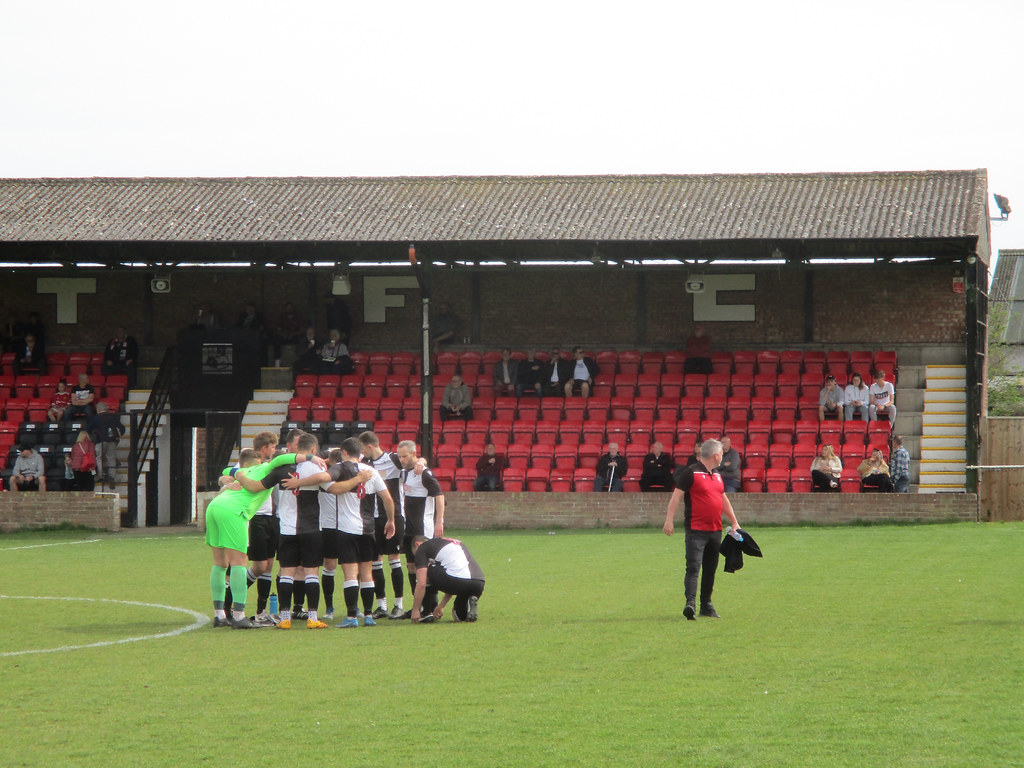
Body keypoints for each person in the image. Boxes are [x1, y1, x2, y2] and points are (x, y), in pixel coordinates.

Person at [207, 445, 330, 628]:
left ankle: (219, 615)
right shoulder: (267, 468)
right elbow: (281, 460)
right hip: (233, 511)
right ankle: (239, 616)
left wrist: (228, 476)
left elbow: (226, 470)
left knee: (220, 564)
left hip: (215, 506)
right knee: (239, 563)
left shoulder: (248, 468)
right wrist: (311, 457)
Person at [662, 439, 741, 620]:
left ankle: (706, 605)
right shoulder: (690, 473)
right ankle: (690, 603)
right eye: (721, 454)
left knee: (711, 568)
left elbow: (723, 499)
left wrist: (734, 522)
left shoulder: (718, 475)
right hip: (696, 530)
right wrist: (669, 521)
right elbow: (676, 498)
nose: (722, 457)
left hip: (715, 530)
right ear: (715, 455)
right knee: (693, 566)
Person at [359, 430, 410, 620]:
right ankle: (381, 605)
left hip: (394, 516)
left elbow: (414, 461)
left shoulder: (393, 459)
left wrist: (422, 462)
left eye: (363, 448)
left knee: (394, 560)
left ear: (370, 446)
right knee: (376, 562)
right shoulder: (364, 464)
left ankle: (399, 604)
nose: (362, 451)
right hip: (372, 518)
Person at [396, 440, 445, 618]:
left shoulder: (424, 473)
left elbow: (439, 495)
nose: (401, 459)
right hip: (408, 529)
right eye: (399, 456)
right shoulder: (404, 470)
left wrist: (439, 521)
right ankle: (418, 604)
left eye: (404, 456)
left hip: (423, 530)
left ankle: (430, 607)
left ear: (413, 454)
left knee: (425, 568)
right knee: (411, 567)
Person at [410, 535, 485, 624]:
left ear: (417, 544)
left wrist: (415, 610)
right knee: (458, 616)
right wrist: (441, 606)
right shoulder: (453, 542)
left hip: (457, 581)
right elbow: (454, 573)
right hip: (478, 582)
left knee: (426, 570)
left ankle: (426, 612)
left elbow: (421, 584)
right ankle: (469, 605)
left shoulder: (422, 547)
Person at [89, 401, 125, 485]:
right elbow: (122, 428)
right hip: (112, 441)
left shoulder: (95, 418)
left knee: (99, 458)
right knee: (111, 458)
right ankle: (112, 476)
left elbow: (88, 429)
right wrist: (119, 436)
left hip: (100, 441)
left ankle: (100, 476)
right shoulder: (113, 417)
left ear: (98, 409)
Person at [272, 301, 306, 367]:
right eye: (288, 308)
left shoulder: (298, 317)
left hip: (295, 337)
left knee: (302, 340)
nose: (289, 309)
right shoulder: (282, 317)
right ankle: (277, 362)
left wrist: (293, 334)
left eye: (290, 307)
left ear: (293, 308)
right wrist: (283, 335)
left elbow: (302, 330)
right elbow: (278, 330)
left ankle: (301, 361)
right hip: (284, 337)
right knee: (276, 340)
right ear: (285, 309)